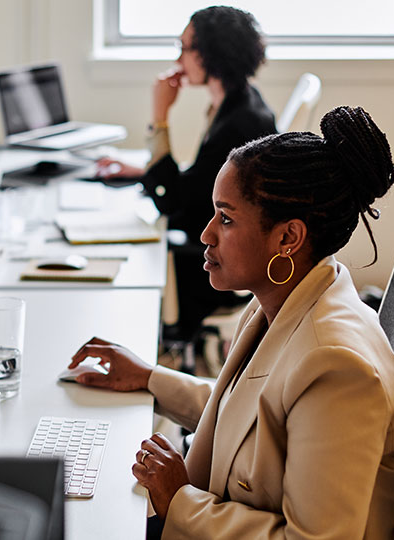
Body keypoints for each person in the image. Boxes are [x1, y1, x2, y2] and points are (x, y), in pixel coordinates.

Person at [69, 106, 394, 539]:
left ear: (288, 238)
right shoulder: (288, 295)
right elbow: (250, 415)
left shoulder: (338, 367)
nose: (206, 234)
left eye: (226, 218)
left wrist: (180, 500)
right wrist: (149, 379)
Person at [98, 6, 277, 340]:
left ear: (210, 53)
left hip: (210, 268)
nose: (179, 57)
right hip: (220, 245)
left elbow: (172, 203)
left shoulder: (238, 125)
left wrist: (159, 115)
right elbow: (202, 183)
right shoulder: (238, 102)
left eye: (185, 47)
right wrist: (144, 170)